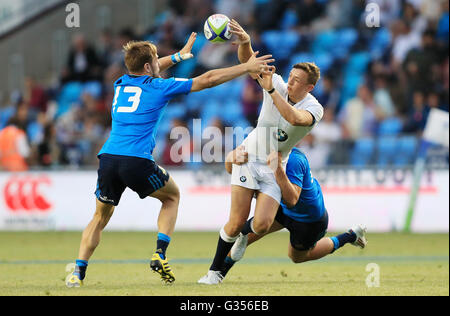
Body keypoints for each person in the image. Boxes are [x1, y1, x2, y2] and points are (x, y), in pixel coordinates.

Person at [66, 32, 274, 287]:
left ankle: (77, 272)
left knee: (99, 217)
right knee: (171, 196)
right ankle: (159, 253)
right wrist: (246, 67)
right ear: (147, 66)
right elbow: (206, 79)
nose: (159, 63)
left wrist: (177, 56)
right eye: (155, 60)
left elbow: (148, 67)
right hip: (136, 161)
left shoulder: (120, 84)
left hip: (108, 157)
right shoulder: (159, 87)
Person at [199, 20, 324, 284]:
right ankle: (213, 273)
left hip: (274, 164)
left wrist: (269, 89)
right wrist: (245, 43)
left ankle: (244, 238)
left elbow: (292, 117)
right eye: (290, 76)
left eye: (297, 80)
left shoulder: (314, 108)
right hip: (248, 157)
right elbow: (249, 63)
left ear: (309, 88)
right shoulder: (276, 83)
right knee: (235, 222)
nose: (290, 82)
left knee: (263, 224)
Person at [219, 146, 368, 282]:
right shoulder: (257, 151)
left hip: (309, 219)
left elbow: (292, 200)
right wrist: (230, 157)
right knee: (244, 236)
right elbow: (234, 171)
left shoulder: (295, 159)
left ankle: (349, 236)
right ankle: (217, 274)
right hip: (283, 209)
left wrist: (276, 169)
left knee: (296, 257)